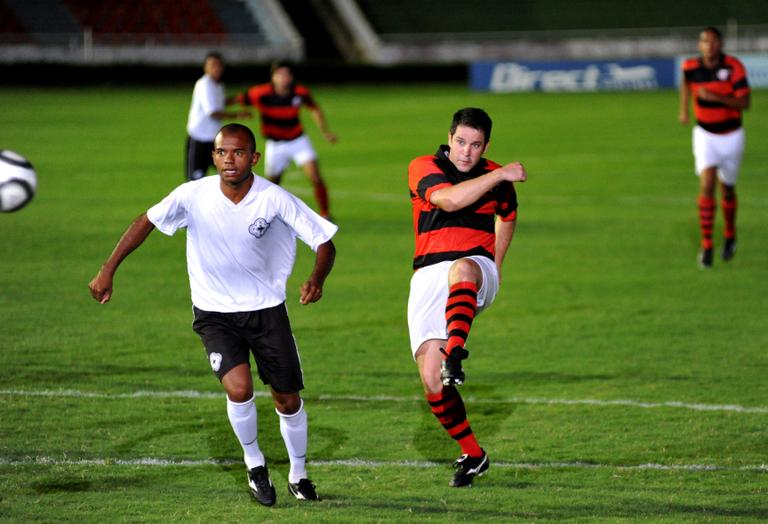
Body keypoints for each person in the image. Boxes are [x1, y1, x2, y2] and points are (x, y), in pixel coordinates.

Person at [89, 124, 337, 506]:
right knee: (239, 390)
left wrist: (316, 278)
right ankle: (255, 466)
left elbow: (324, 242)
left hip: (266, 311)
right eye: (222, 152)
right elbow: (147, 221)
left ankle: (299, 474)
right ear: (214, 156)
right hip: (214, 313)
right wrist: (109, 268)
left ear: (254, 158)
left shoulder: (274, 198)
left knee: (287, 399)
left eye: (238, 153)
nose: (229, 160)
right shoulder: (193, 194)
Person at [407, 108, 527, 488]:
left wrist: (498, 263)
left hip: (474, 268)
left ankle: (456, 353)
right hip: (427, 276)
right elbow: (447, 201)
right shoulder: (424, 165)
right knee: (430, 379)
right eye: (461, 142)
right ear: (450, 137)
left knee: (463, 267)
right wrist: (498, 173)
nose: (466, 152)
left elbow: (507, 217)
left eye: (476, 145)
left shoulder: (498, 179)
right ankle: (474, 455)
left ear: (486, 145)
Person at [679, 26, 750, 268]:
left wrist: (717, 98)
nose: (709, 45)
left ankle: (730, 233)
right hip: (705, 136)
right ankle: (707, 244)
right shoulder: (690, 67)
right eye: (704, 41)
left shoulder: (733, 67)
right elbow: (685, 84)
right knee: (707, 184)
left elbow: (745, 102)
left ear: (720, 44)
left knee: (727, 189)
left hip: (731, 136)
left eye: (713, 41)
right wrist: (684, 109)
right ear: (699, 45)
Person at [228, 60, 337, 219]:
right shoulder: (260, 93)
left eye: (286, 75)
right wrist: (216, 105)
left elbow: (313, 107)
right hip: (275, 145)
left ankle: (325, 214)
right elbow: (237, 99)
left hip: (298, 140)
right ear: (273, 77)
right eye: (279, 75)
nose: (283, 78)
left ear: (291, 77)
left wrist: (325, 131)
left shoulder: (300, 92)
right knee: (272, 183)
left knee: (315, 176)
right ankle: (264, 214)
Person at [185, 52, 251, 181]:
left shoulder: (218, 85)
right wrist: (238, 115)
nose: (216, 68)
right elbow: (213, 112)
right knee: (194, 182)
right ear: (206, 67)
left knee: (228, 177)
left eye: (219, 65)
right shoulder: (204, 84)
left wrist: (237, 100)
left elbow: (219, 103)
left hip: (215, 140)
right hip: (199, 138)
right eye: (212, 65)